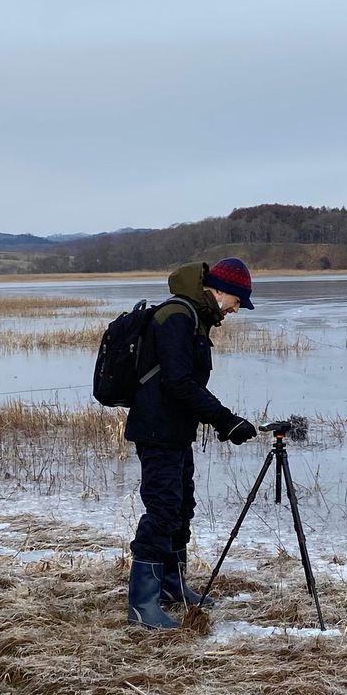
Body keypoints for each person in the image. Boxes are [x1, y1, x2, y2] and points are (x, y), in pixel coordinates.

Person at [124, 257, 258, 628]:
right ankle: (142, 605)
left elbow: (186, 387)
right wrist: (225, 420)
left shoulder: (193, 318)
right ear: (221, 291)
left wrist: (219, 420)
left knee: (181, 507)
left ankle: (171, 586)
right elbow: (179, 383)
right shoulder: (178, 317)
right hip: (157, 431)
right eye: (237, 301)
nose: (236, 310)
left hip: (174, 430)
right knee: (163, 510)